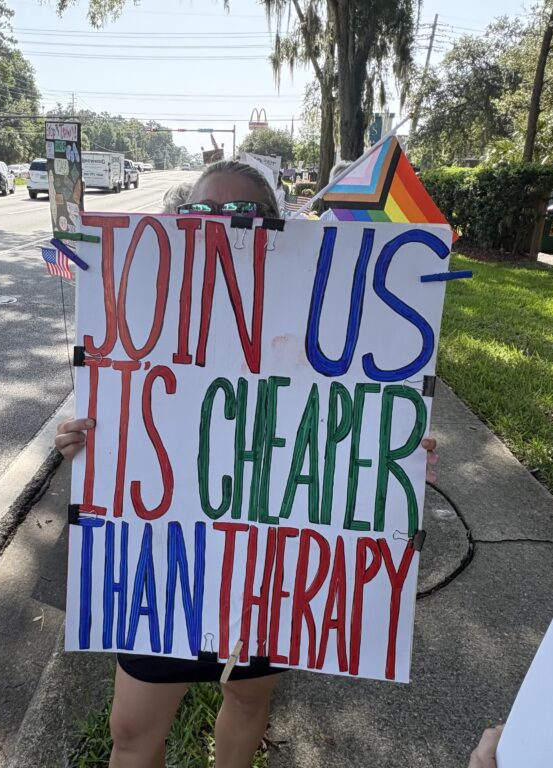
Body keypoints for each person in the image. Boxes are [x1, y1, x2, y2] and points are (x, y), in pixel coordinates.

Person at [55, 159, 441, 768]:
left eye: (244, 212)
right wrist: (86, 444)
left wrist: (391, 452)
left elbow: (346, 421)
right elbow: (123, 415)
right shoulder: (142, 308)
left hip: (264, 567)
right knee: (130, 732)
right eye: (202, 211)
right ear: (180, 221)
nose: (223, 226)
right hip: (162, 562)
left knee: (245, 700)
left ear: (277, 225)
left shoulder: (319, 314)